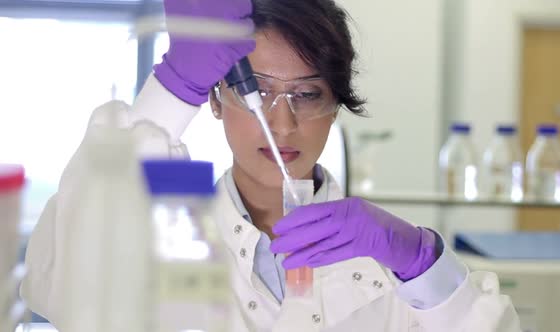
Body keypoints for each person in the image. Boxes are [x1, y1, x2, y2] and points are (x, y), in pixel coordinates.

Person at [20, 0, 521, 331]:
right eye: (254, 89)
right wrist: (172, 89)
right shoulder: (177, 209)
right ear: (214, 99)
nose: (281, 124)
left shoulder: (385, 255)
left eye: (307, 94)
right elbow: (62, 274)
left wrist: (421, 262)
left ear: (336, 109)